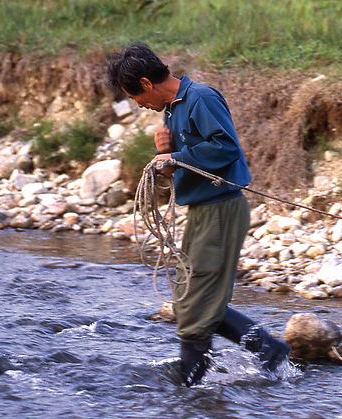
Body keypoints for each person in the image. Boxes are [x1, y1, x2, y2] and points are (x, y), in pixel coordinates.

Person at [106, 42, 290, 385]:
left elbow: (224, 147)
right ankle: (267, 349)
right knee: (190, 292)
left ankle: (190, 388)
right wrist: (168, 156)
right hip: (202, 210)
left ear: (146, 84)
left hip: (221, 210)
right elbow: (191, 157)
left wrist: (176, 156)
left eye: (136, 98)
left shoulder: (201, 98)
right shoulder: (172, 109)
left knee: (195, 300)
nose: (140, 105)